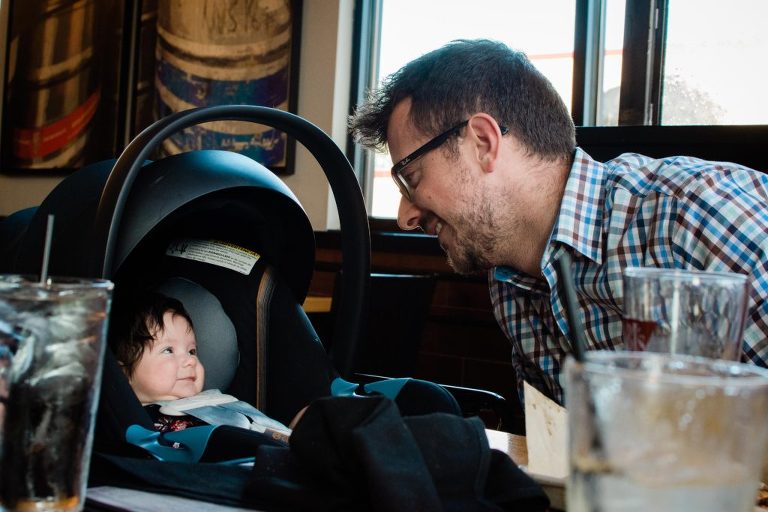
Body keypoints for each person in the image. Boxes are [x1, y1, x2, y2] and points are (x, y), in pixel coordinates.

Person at [348, 38, 768, 404]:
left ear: (483, 143)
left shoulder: (692, 214)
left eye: (411, 179)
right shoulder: (509, 279)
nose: (405, 217)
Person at [109, 291, 297, 438]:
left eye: (192, 351)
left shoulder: (218, 402)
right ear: (122, 374)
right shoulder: (141, 425)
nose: (190, 360)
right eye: (168, 350)